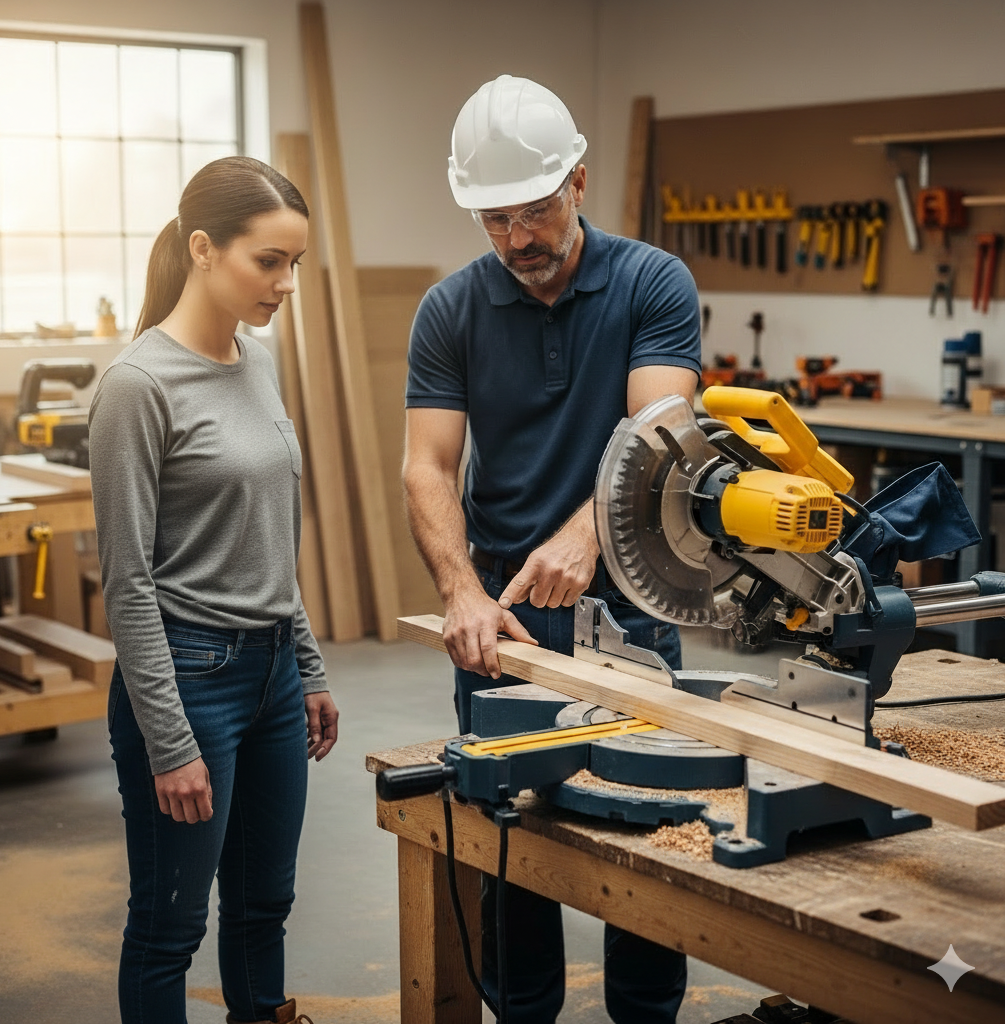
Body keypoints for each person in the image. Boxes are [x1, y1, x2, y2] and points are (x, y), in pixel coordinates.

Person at [402, 76, 701, 1023]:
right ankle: (522, 1009)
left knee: (650, 830)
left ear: (578, 180)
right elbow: (426, 468)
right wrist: (461, 590)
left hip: (637, 611)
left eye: (533, 211)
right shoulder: (448, 311)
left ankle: (645, 1011)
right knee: (510, 839)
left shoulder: (654, 282)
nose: (516, 239)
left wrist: (588, 536)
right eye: (494, 219)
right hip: (507, 617)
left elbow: (661, 432)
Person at [89, 156, 337, 1024]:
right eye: (269, 261)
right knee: (169, 928)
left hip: (272, 674)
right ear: (203, 248)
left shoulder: (257, 359)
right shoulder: (136, 387)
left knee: (264, 907)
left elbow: (270, 541)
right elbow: (127, 582)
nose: (287, 283)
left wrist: (306, 666)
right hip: (190, 678)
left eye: (296, 264)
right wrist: (169, 740)